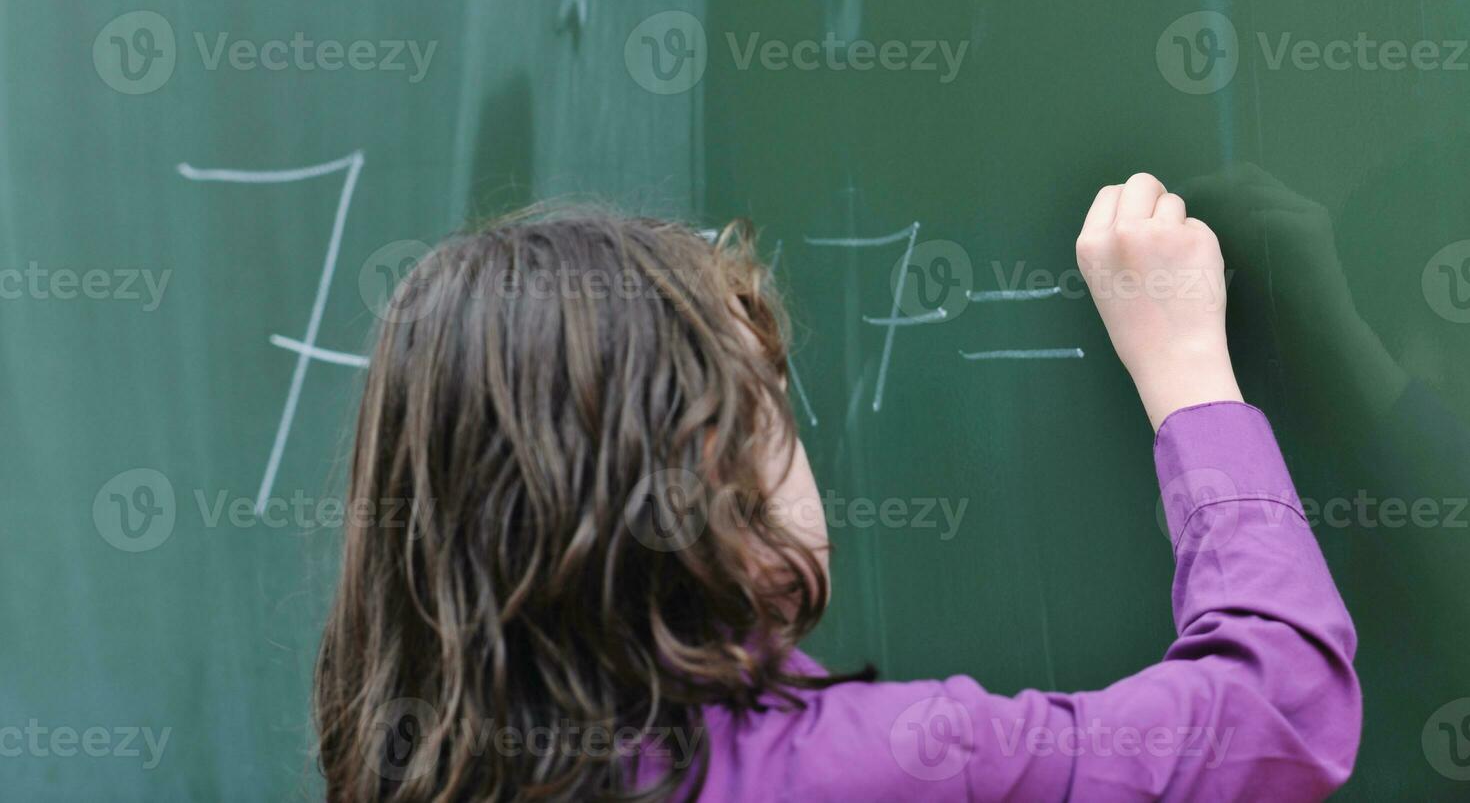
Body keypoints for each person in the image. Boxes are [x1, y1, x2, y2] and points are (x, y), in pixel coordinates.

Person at [313, 172, 1361, 801]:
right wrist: (1187, 371)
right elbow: (1279, 711)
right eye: (767, 406)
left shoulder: (420, 765)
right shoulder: (874, 765)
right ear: (709, 491)